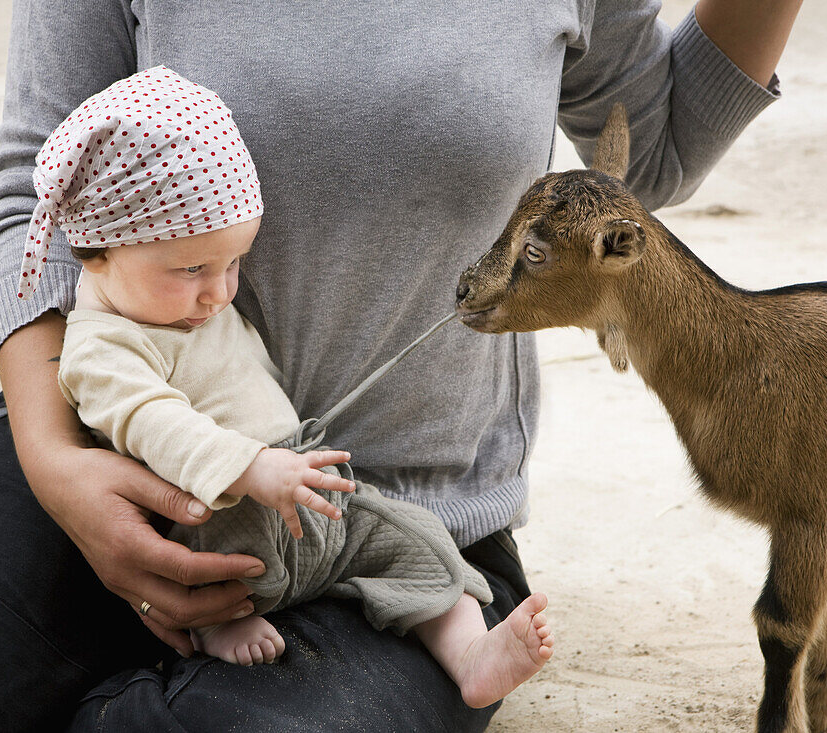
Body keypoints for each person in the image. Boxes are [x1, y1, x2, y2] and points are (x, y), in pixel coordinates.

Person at [0, 1, 801, 730]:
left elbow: (652, 156)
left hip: (388, 526)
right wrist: (52, 461)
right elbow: (38, 187)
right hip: (90, 459)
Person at [43, 66, 554, 701]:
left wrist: (281, 464)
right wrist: (251, 467)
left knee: (414, 537)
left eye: (234, 263)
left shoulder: (180, 298)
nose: (220, 291)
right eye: (192, 268)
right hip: (230, 514)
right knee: (212, 555)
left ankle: (470, 654)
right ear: (97, 250)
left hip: (305, 487)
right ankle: (218, 624)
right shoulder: (100, 348)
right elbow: (154, 422)